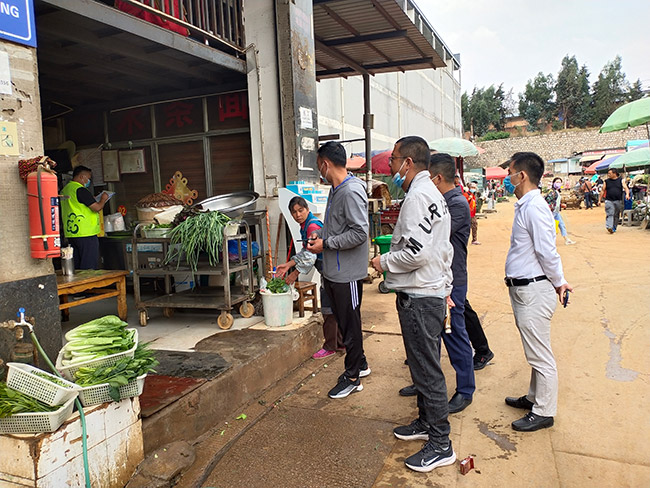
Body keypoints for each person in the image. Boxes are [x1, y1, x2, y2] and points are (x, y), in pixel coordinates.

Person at [370, 136, 456, 472]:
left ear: (407, 162)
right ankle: (425, 422)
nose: (390, 165)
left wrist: (383, 262)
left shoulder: (420, 196)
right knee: (423, 366)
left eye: (393, 159)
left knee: (427, 371)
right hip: (426, 292)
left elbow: (415, 254)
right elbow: (440, 250)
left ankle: (441, 444)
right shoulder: (430, 194)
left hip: (420, 297)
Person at [502, 152, 573, 432]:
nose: (507, 178)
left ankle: (544, 411)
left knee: (540, 355)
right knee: (535, 350)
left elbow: (547, 251)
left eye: (509, 173)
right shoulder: (526, 206)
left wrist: (560, 282)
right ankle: (534, 398)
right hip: (525, 289)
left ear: (521, 175)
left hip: (533, 290)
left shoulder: (534, 207)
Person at [307, 141, 370, 399]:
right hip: (334, 271)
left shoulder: (351, 191)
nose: (319, 171)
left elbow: (359, 233)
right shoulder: (336, 189)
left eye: (318, 165)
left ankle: (353, 377)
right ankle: (361, 363)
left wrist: (326, 243)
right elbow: (336, 227)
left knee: (351, 327)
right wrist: (320, 236)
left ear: (325, 164)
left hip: (347, 274)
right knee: (346, 324)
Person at [276, 196, 344, 360]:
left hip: (331, 271)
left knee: (328, 309)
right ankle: (341, 343)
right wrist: (288, 264)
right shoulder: (306, 226)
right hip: (330, 271)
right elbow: (305, 252)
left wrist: (294, 273)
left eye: (301, 210)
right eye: (294, 212)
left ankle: (330, 346)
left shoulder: (312, 226)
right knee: (335, 308)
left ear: (307, 209)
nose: (298, 215)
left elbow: (310, 256)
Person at [60, 165, 109, 269]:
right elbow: (97, 207)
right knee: (89, 265)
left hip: (72, 233)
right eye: (88, 178)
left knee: (77, 265)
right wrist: (103, 199)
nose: (89, 181)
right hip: (86, 233)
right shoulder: (80, 190)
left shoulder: (65, 190)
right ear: (82, 177)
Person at [545, 177, 575, 245]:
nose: (558, 183)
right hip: (552, 212)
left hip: (556, 212)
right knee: (551, 226)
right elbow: (548, 201)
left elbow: (556, 202)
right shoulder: (552, 192)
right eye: (557, 182)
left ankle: (567, 239)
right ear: (553, 183)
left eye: (559, 182)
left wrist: (561, 205)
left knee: (561, 225)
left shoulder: (557, 192)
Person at [600, 168, 630, 233]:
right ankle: (609, 227)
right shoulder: (606, 181)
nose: (608, 175)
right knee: (610, 213)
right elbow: (602, 190)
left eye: (610, 173)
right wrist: (599, 200)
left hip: (618, 200)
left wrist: (627, 194)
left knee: (616, 214)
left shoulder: (621, 180)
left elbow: (626, 188)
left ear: (614, 173)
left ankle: (614, 227)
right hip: (608, 200)